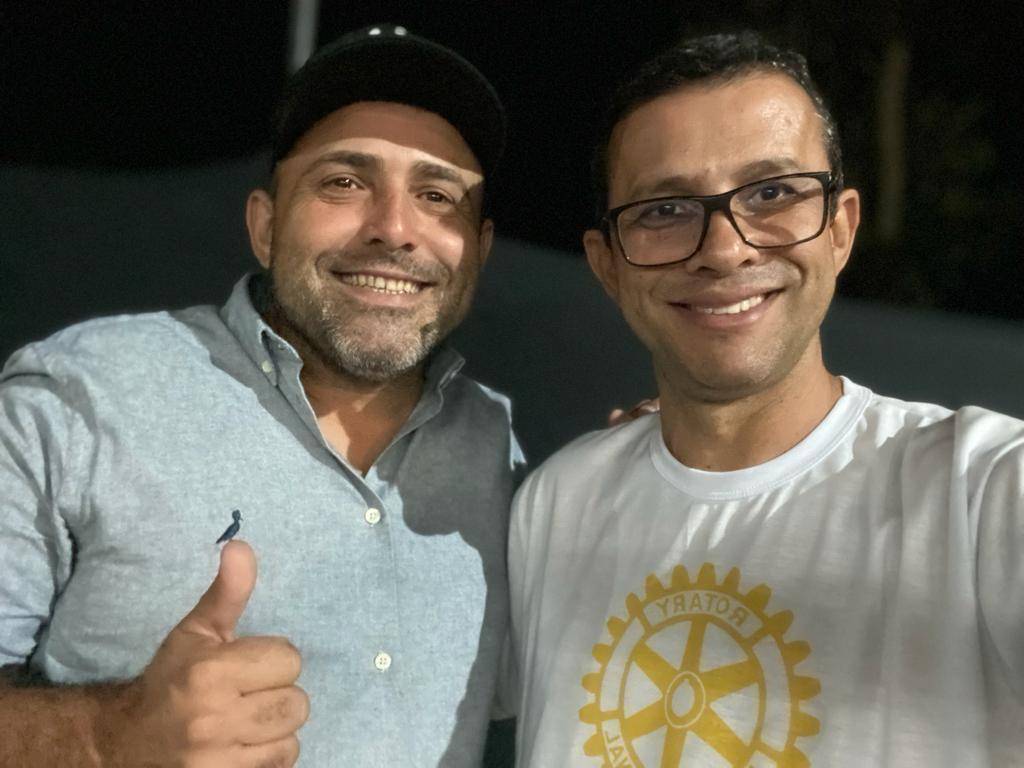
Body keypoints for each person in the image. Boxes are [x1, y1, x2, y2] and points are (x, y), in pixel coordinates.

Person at [0, 25, 523, 766]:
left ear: (480, 251)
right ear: (266, 225)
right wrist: (104, 735)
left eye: (437, 196)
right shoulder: (78, 397)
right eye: (344, 182)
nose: (394, 229)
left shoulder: (504, 452)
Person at [508, 31, 1023, 767]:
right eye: (665, 210)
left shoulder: (982, 489)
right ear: (608, 267)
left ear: (840, 229)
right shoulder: (556, 503)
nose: (725, 249)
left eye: (773, 193)